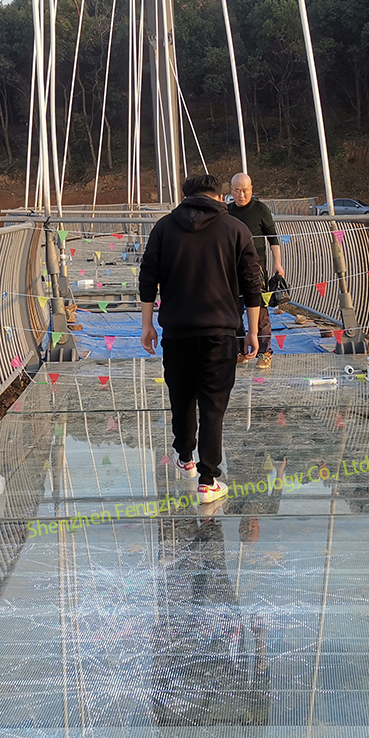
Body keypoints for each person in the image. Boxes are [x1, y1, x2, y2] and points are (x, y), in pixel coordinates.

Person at [140, 173, 262, 504]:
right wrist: (251, 331)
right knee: (213, 404)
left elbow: (148, 277)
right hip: (221, 333)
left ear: (184, 197)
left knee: (181, 395)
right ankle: (208, 480)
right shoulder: (236, 230)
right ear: (220, 197)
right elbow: (252, 285)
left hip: (177, 332)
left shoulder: (164, 228)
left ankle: (184, 455)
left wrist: (147, 324)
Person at [228, 173, 284, 370]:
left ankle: (264, 352)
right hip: (232, 269)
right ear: (231, 190)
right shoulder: (227, 212)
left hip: (257, 269)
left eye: (245, 190)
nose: (241, 194)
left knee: (260, 311)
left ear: (251, 189)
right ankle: (239, 351)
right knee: (233, 310)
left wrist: (278, 263)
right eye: (237, 190)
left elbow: (273, 238)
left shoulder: (260, 209)